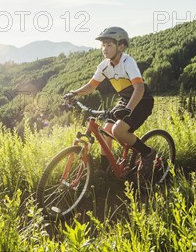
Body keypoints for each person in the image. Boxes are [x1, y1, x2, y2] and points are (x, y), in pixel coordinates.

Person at [63, 26, 157, 177]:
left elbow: (139, 88)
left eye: (109, 45)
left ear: (121, 46)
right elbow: (91, 86)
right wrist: (75, 93)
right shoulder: (104, 66)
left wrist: (128, 110)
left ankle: (148, 153)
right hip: (126, 100)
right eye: (103, 45)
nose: (105, 49)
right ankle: (104, 168)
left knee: (118, 131)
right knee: (106, 129)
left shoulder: (128, 62)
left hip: (142, 101)